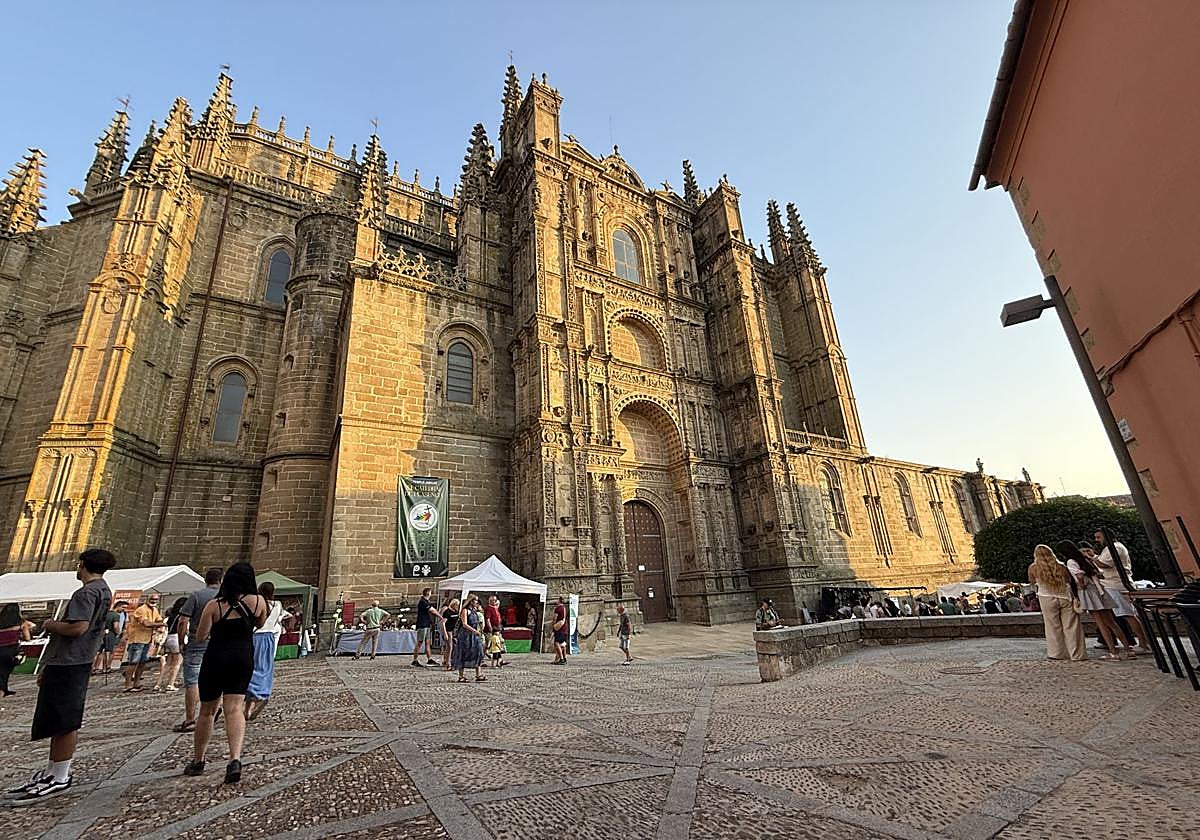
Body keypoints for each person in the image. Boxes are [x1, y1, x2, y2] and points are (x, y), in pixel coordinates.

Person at [6, 548, 115, 803]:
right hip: (76, 661)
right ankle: (54, 771)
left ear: (82, 565)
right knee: (61, 719)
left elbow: (78, 627)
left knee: (64, 720)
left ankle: (60, 776)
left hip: (69, 662)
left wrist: (48, 624)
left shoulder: (86, 592)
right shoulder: (104, 590)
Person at [185, 561, 268, 784]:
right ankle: (235, 759)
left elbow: (201, 636)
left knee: (207, 711)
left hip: (216, 657)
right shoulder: (258, 601)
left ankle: (199, 759)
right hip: (242, 657)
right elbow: (260, 624)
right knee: (235, 709)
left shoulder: (214, 605)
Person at [1057, 541, 1133, 661]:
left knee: (1101, 624)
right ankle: (1128, 649)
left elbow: (1079, 576)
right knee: (1112, 622)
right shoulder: (1085, 558)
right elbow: (1098, 573)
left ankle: (1113, 652)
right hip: (1099, 590)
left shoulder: (1071, 561)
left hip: (1088, 592)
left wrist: (1081, 586)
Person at [175, 567, 222, 733]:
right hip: (219, 644)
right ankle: (212, 711)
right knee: (216, 680)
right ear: (220, 580)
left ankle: (190, 719)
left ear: (205, 580)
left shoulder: (196, 595)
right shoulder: (226, 597)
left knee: (192, 682)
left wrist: (181, 642)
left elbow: (183, 621)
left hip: (197, 643)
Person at [1088, 534, 1150, 654]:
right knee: (1123, 614)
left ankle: (1144, 644)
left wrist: (1090, 558)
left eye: (1099, 537)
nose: (1096, 540)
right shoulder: (1110, 548)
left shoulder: (1115, 547)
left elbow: (1104, 564)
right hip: (1113, 584)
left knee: (1128, 614)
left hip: (1116, 584)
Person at [1028, 544, 1085, 661]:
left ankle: (1057, 653)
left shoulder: (1033, 568)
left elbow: (1032, 582)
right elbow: (1069, 581)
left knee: (1052, 627)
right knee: (1072, 626)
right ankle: (1076, 654)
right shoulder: (1061, 566)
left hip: (1046, 598)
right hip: (1064, 597)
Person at [245, 581, 284, 721]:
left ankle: (249, 704)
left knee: (250, 668)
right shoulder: (277, 605)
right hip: (268, 639)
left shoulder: (256, 603)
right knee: (264, 669)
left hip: (254, 637)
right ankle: (259, 696)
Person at [122, 593, 164, 692]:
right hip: (137, 640)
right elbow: (146, 623)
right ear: (147, 599)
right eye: (152, 599)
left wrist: (161, 622)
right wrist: (161, 624)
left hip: (147, 640)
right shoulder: (141, 610)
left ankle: (136, 683)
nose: (154, 601)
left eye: (156, 599)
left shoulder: (154, 610)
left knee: (142, 663)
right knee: (133, 663)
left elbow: (159, 619)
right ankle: (128, 685)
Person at [154, 597, 187, 692]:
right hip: (177, 638)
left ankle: (158, 684)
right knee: (177, 663)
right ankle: (170, 684)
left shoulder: (171, 616)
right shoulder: (182, 616)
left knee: (167, 664)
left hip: (169, 638)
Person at [452, 594, 486, 682]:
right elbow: (464, 624)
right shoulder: (465, 611)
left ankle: (478, 674)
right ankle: (461, 676)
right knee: (463, 653)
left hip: (474, 636)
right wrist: (474, 631)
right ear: (471, 601)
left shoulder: (475, 611)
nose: (476, 602)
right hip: (465, 635)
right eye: (475, 600)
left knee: (478, 652)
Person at [1, 602, 33, 697]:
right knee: (4, 674)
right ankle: (3, 690)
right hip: (11, 651)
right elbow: (27, 638)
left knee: (1, 674)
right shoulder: (21, 623)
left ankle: (5, 689)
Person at [93, 599, 126, 675]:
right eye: (123, 608)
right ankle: (107, 668)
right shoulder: (116, 615)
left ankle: (95, 668)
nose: (124, 610)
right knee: (110, 651)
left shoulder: (106, 614)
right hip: (111, 634)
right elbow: (116, 626)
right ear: (118, 606)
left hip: (102, 634)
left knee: (99, 652)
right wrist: (118, 633)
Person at [412, 588, 438, 667]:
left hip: (427, 624)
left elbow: (432, 609)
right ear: (428, 593)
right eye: (430, 592)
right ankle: (415, 660)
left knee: (427, 642)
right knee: (419, 642)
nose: (431, 594)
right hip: (422, 624)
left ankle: (429, 659)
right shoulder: (423, 601)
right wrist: (440, 616)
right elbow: (432, 610)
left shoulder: (426, 601)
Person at [485, 595, 506, 668]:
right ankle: (487, 659)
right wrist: (490, 628)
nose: (493, 601)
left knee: (498, 644)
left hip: (497, 627)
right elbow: (487, 619)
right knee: (491, 644)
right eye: (491, 600)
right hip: (493, 629)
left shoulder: (495, 608)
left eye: (494, 600)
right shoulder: (489, 608)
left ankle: (499, 661)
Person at [440, 598, 461, 671]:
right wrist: (445, 633)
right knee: (450, 647)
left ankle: (447, 661)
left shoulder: (455, 612)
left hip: (453, 631)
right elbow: (442, 623)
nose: (457, 606)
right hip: (448, 631)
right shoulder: (447, 612)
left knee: (449, 647)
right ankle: (448, 663)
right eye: (456, 605)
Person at [551, 596, 569, 664]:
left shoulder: (558, 608)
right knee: (563, 644)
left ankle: (561, 659)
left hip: (559, 628)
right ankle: (564, 658)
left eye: (557, 599)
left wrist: (553, 626)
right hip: (564, 627)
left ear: (559, 600)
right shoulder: (564, 608)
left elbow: (554, 619)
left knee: (557, 643)